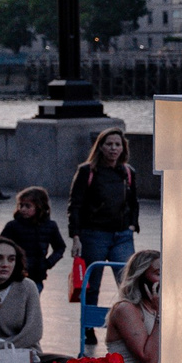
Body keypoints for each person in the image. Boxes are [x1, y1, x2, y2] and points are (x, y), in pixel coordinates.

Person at [67, 128, 141, 305]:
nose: (113, 148)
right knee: (92, 285)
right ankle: (89, 329)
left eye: (118, 145)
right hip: (94, 235)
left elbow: (134, 202)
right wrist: (76, 237)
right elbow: (75, 205)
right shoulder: (87, 171)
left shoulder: (128, 172)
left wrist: (132, 225)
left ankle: (127, 325)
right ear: (100, 147)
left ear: (123, 148)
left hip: (122, 236)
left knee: (128, 285)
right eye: (109, 144)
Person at [0, 187, 66, 287]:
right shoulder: (12, 226)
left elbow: (60, 247)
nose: (23, 209)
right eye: (21, 205)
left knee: (32, 300)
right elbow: (0, 246)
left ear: (39, 207)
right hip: (15, 275)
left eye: (28, 206)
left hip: (37, 275)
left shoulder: (50, 226)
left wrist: (48, 263)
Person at [105, 249, 162, 363]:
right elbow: (149, 359)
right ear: (140, 278)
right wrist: (160, 314)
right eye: (158, 273)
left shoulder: (160, 309)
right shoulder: (125, 309)